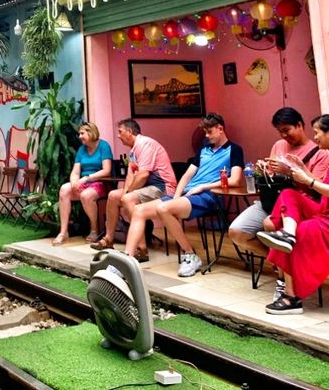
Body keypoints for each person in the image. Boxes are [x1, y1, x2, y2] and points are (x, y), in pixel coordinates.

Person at [123, 112, 244, 277]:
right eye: (205, 133)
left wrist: (203, 187)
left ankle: (190, 255)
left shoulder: (234, 150)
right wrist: (177, 196)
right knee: (138, 211)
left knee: (164, 209)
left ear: (220, 128)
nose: (207, 136)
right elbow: (187, 176)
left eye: (209, 132)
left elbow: (235, 179)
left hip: (208, 196)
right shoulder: (203, 150)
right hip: (188, 194)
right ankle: (126, 260)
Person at [229, 107, 329, 293]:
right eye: (280, 131)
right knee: (236, 232)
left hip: (301, 203)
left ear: (299, 125)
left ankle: (285, 277)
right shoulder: (278, 146)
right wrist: (262, 170)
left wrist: (291, 173)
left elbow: (317, 191)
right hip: (271, 200)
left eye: (287, 130)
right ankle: (282, 262)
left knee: (270, 224)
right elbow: (270, 177)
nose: (284, 135)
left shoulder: (321, 152)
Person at [255, 114, 329, 314]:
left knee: (300, 232)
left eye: (317, 133)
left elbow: (318, 187)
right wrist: (304, 170)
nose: (315, 138)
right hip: (322, 209)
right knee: (289, 194)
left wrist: (308, 180)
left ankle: (291, 297)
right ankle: (288, 234)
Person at [90, 119, 176, 262]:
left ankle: (141, 249)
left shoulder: (145, 144)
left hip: (163, 188)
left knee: (129, 199)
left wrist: (128, 195)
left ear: (130, 132)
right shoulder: (133, 150)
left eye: (120, 132)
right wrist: (124, 193)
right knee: (113, 196)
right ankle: (108, 239)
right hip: (148, 187)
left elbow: (143, 175)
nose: (118, 135)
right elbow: (131, 174)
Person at [52, 121, 113, 246]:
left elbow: (106, 170)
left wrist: (86, 178)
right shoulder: (81, 149)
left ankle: (94, 229)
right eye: (79, 134)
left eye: (82, 133)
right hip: (84, 182)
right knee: (64, 189)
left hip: (100, 182)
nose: (79, 136)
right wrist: (74, 181)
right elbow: (75, 171)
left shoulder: (104, 146)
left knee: (86, 195)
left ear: (91, 133)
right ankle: (63, 232)